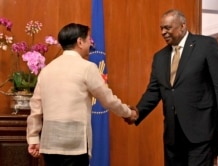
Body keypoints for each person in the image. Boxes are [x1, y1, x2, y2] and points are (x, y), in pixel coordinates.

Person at [125, 9, 218, 166]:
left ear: (182, 26)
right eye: (161, 28)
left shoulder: (206, 46)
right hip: (173, 136)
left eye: (168, 28)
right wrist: (137, 112)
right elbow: (153, 91)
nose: (163, 32)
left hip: (202, 134)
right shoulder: (159, 57)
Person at [26, 23, 138, 166]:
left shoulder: (47, 70)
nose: (90, 44)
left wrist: (33, 138)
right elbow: (108, 100)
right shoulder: (87, 67)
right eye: (88, 40)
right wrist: (128, 113)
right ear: (80, 42)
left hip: (49, 144)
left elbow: (36, 108)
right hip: (75, 146)